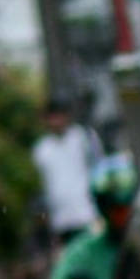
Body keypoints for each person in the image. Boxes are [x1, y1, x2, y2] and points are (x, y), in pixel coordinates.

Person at [32, 101, 102, 250]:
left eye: (59, 116)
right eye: (52, 117)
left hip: (88, 213)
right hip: (62, 221)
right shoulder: (41, 150)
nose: (56, 121)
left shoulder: (82, 138)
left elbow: (98, 165)